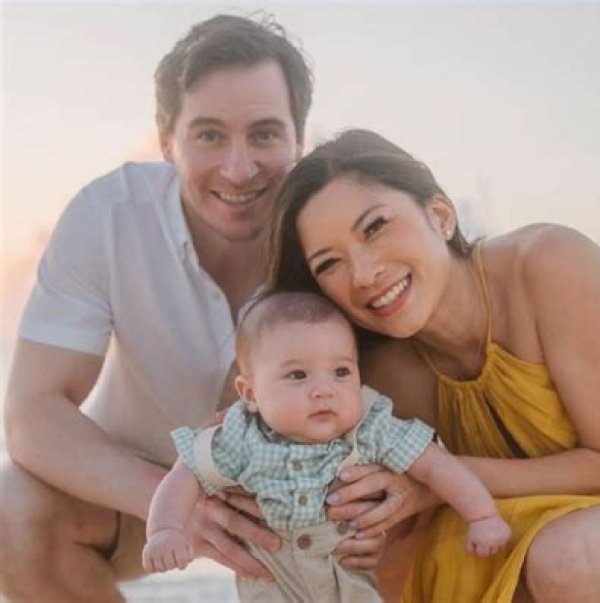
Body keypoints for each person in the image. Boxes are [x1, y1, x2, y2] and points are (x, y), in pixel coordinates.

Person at [0, 14, 379, 603]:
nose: (238, 168)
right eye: (208, 135)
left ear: (298, 139)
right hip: (136, 489)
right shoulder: (109, 217)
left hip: (318, 494)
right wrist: (175, 501)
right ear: (166, 137)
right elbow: (32, 415)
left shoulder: (337, 230)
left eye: (264, 135)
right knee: (9, 513)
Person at [265, 128, 600, 602]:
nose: (363, 273)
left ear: (440, 216)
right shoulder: (387, 375)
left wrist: (439, 482)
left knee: (568, 561)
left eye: (375, 227)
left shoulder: (548, 263)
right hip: (575, 514)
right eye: (329, 264)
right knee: (425, 562)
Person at [141, 291, 511, 601]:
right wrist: (165, 529)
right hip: (271, 582)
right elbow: (186, 473)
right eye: (297, 375)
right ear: (250, 393)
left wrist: (482, 515)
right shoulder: (241, 438)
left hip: (347, 580)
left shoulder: (371, 429)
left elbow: (436, 466)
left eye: (341, 372)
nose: (324, 389)